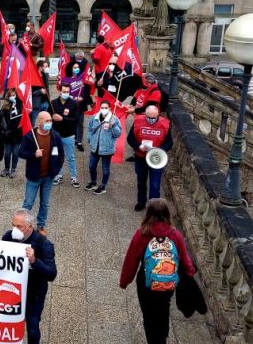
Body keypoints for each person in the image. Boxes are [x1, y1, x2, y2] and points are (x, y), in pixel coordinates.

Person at [119, 199, 196, 344]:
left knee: (148, 313)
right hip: (167, 280)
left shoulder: (142, 234)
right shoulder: (175, 235)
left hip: (146, 283)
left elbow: (131, 261)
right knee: (164, 308)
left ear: (148, 215)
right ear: (168, 214)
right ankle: (162, 336)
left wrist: (124, 281)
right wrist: (190, 273)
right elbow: (185, 261)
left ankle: (153, 339)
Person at [2, 209, 56, 344]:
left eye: (19, 226)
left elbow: (51, 274)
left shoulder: (44, 244)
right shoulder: (8, 237)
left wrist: (34, 261)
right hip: (12, 293)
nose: (14, 229)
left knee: (32, 328)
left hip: (34, 294)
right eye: (13, 225)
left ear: (30, 226)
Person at [18, 111, 64, 234]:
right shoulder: (30, 136)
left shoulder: (55, 136)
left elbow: (61, 155)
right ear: (39, 122)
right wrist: (34, 154)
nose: (49, 123)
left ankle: (41, 225)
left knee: (45, 203)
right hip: (34, 177)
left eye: (50, 120)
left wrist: (56, 170)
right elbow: (21, 152)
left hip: (48, 177)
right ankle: (22, 226)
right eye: (46, 121)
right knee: (28, 203)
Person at [127, 104, 173, 211]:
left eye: (154, 117)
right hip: (140, 157)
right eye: (149, 117)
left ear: (158, 114)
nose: (151, 119)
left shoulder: (165, 124)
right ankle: (141, 202)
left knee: (155, 184)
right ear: (145, 114)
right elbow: (130, 139)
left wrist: (159, 149)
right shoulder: (138, 121)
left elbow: (169, 143)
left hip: (156, 159)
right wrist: (139, 146)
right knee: (141, 181)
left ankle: (153, 207)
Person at [86, 100, 122, 195]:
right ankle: (93, 182)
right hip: (95, 147)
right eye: (102, 107)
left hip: (107, 149)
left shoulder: (114, 119)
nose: (104, 109)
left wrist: (113, 125)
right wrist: (89, 139)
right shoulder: (94, 118)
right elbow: (90, 129)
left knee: (105, 169)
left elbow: (118, 134)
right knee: (91, 166)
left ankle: (102, 186)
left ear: (110, 108)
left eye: (106, 108)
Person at [50, 83, 79, 187]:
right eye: (64, 91)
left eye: (68, 92)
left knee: (71, 157)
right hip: (55, 137)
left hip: (69, 136)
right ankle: (58, 175)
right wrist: (50, 119)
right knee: (56, 156)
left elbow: (76, 120)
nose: (66, 93)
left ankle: (73, 177)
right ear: (60, 91)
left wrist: (63, 119)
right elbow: (48, 118)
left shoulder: (73, 103)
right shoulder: (52, 103)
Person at [1, 88, 24, 178]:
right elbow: (2, 119)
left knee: (15, 153)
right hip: (8, 134)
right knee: (7, 153)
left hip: (17, 134)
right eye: (11, 95)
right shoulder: (5, 106)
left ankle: (13, 169)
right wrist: (4, 130)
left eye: (14, 95)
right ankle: (6, 168)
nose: (12, 97)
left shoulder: (20, 105)